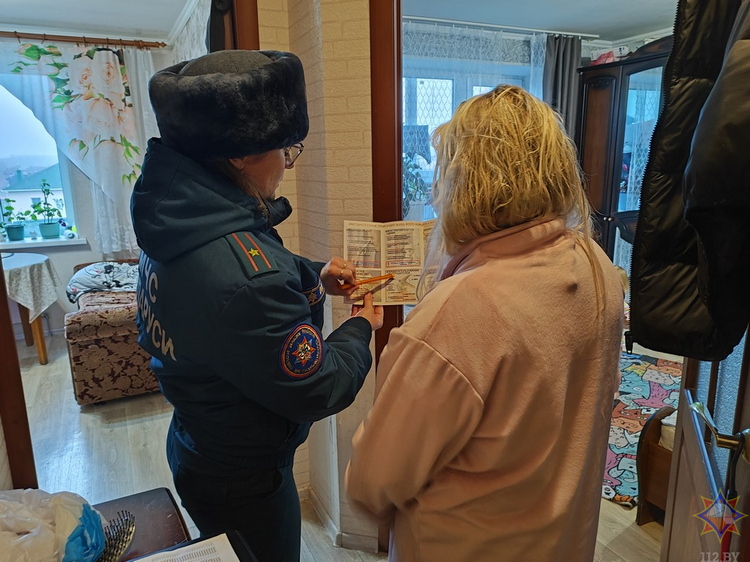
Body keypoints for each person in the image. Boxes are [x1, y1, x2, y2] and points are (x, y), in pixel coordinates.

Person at [346, 85, 624, 561]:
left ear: (465, 183)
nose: (435, 195)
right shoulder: (597, 263)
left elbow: (373, 481)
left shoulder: (458, 311)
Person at [130, 49, 383, 562]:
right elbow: (319, 386)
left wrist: (314, 276)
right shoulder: (245, 277)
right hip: (244, 480)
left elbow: (237, 284)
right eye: (285, 150)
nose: (287, 166)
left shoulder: (175, 218)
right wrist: (361, 328)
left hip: (198, 439)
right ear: (241, 155)